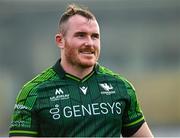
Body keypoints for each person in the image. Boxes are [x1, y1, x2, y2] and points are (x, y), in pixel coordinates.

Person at [9, 3, 153, 137]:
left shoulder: (121, 87)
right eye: (81, 35)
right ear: (60, 41)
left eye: (95, 36)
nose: (89, 43)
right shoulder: (32, 93)